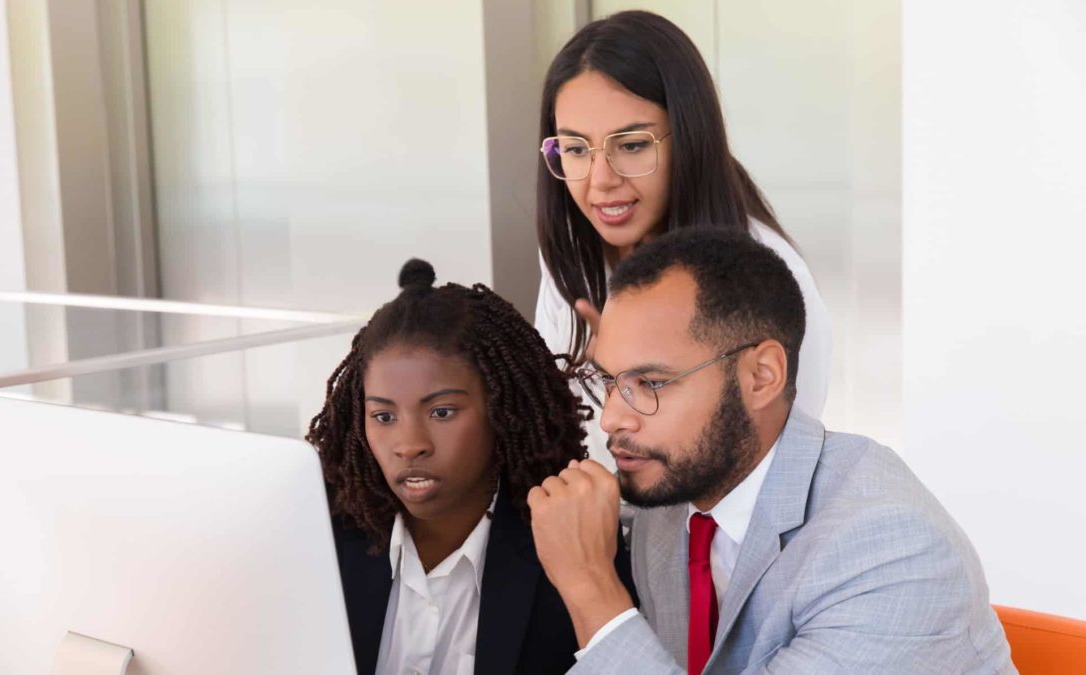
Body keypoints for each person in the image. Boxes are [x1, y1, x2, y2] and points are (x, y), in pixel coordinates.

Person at [527, 228, 1014, 673]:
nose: (612, 417)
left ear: (761, 376)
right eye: (610, 380)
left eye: (651, 382)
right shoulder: (674, 503)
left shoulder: (888, 548)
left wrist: (591, 588)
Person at [307, 259, 634, 675]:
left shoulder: (573, 548)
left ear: (502, 410)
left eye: (442, 412)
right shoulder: (321, 537)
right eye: (384, 417)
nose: (409, 446)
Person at [534, 10, 832, 464]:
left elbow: (776, 475)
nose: (600, 182)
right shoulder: (574, 249)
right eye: (575, 149)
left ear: (689, 138)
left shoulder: (769, 277)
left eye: (632, 145)